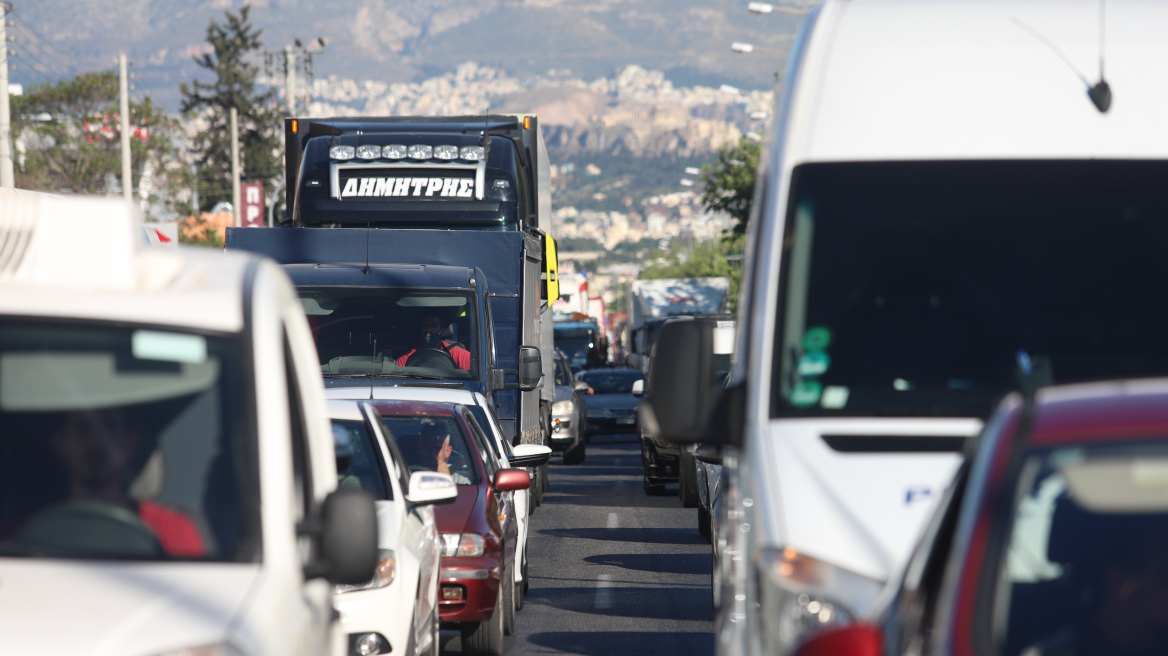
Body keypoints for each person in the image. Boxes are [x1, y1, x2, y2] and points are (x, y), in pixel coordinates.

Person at [46, 408, 205, 557]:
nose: (96, 440)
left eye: (109, 428)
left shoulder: (173, 532)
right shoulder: (29, 534)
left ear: (130, 445)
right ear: (61, 444)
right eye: (83, 428)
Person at [395, 313, 471, 370]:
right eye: (425, 326)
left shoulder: (457, 353)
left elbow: (476, 370)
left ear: (443, 331)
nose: (428, 330)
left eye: (433, 326)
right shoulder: (408, 357)